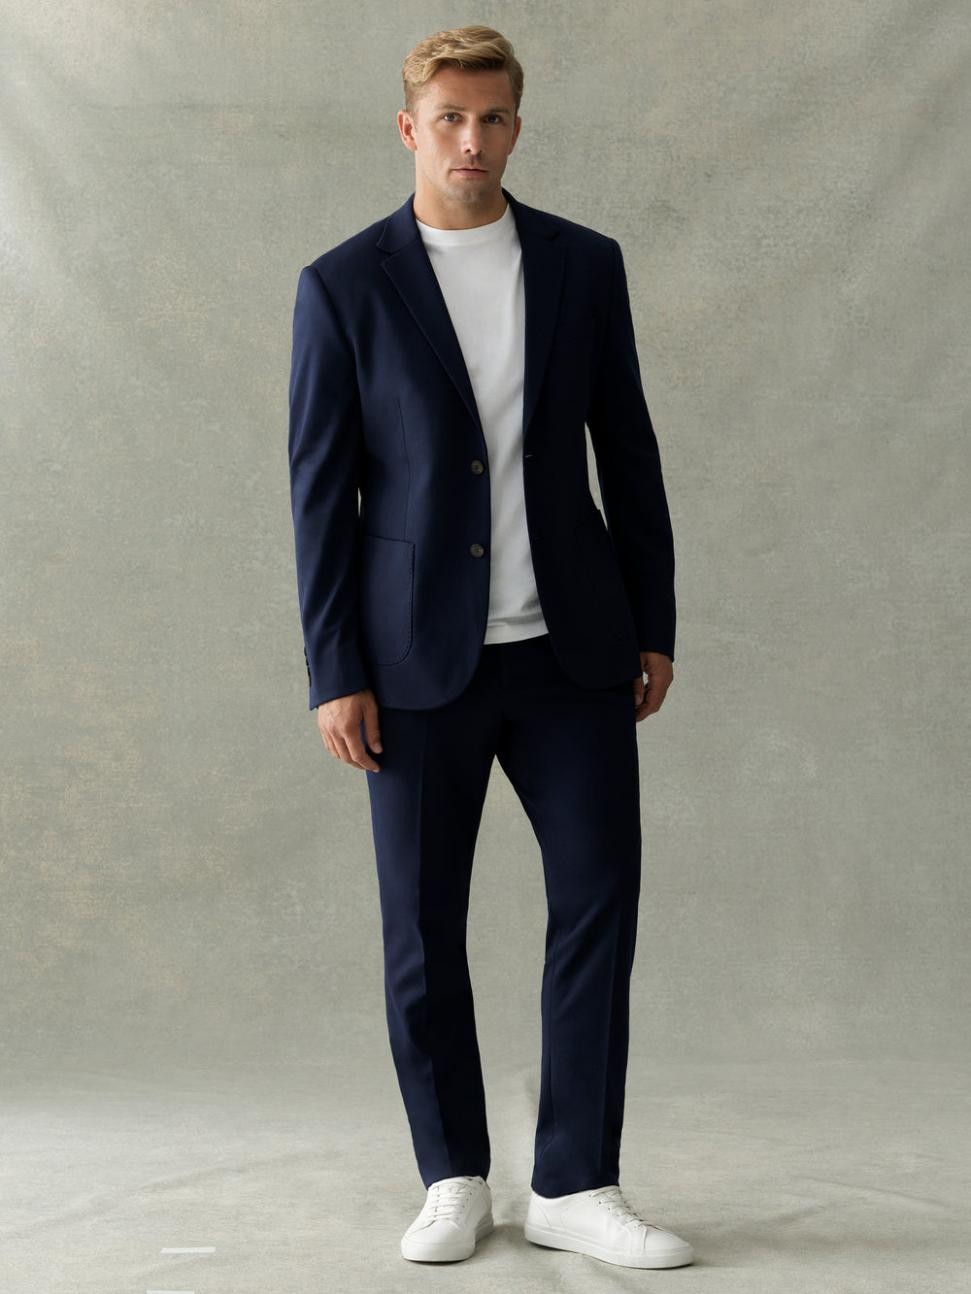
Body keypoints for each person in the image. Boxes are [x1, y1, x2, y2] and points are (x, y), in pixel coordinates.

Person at [287, 24, 693, 1270]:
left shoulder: (582, 264)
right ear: (408, 128)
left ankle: (574, 1180)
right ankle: (452, 1173)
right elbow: (320, 496)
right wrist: (334, 670)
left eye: (492, 118)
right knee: (421, 926)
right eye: (448, 119)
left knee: (597, 906)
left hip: (572, 651)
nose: (471, 140)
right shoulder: (343, 285)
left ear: (517, 125)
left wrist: (652, 621)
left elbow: (627, 450)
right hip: (414, 664)